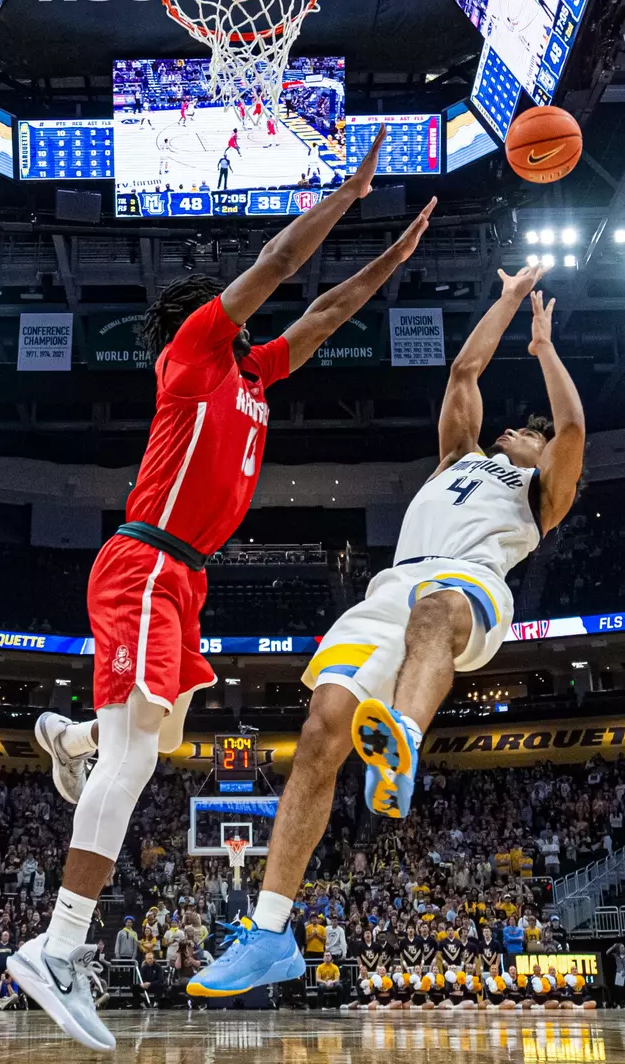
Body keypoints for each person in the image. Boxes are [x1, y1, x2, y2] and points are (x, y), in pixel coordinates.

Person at [12, 127, 436, 1049]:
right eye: (231, 305)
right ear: (201, 317)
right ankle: (57, 947)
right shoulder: (195, 353)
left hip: (183, 578)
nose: (243, 311)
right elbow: (282, 261)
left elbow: (319, 313)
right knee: (136, 763)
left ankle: (68, 735)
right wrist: (346, 198)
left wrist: (392, 260)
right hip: (146, 560)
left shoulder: (250, 372)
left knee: (149, 733)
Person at [188, 267, 585, 999]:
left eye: (525, 435)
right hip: (389, 588)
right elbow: (464, 369)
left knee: (434, 608)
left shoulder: (540, 496)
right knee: (321, 729)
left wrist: (542, 347)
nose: (517, 432)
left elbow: (569, 430)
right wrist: (500, 300)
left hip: (467, 588)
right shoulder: (455, 458)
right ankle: (271, 933)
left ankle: (399, 740)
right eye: (517, 429)